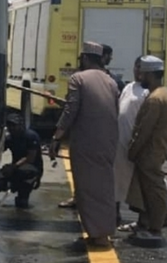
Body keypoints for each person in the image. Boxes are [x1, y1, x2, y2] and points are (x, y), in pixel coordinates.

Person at [50, 41, 119, 249]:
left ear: (86, 58)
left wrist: (56, 137)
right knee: (104, 186)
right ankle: (102, 230)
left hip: (86, 141)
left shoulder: (78, 78)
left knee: (86, 188)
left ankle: (98, 234)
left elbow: (71, 110)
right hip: (108, 141)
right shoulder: (110, 81)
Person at [115, 56, 167, 231]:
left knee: (154, 192)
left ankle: (155, 229)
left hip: (149, 152)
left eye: (142, 73)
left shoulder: (154, 98)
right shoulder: (165, 94)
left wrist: (133, 150)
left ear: (150, 74)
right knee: (143, 190)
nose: (139, 76)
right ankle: (145, 223)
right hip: (152, 150)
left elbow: (144, 130)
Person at [0, 114, 44, 208]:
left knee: (22, 202)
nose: (11, 128)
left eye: (14, 125)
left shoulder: (31, 136)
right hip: (16, 168)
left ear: (20, 125)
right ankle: (11, 185)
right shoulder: (10, 138)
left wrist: (12, 167)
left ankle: (23, 191)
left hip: (31, 168)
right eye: (9, 125)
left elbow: (30, 158)